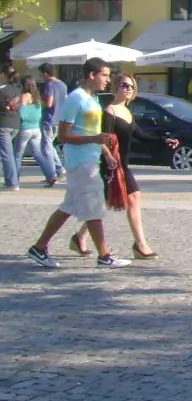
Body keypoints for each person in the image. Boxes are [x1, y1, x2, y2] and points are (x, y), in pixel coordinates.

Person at [26, 58, 132, 269]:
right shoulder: (76, 99)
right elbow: (63, 135)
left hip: (90, 159)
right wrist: (94, 140)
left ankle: (39, 248)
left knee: (69, 207)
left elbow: (93, 133)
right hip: (80, 162)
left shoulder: (92, 100)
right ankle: (104, 255)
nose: (108, 80)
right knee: (93, 208)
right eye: (104, 75)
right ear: (92, 75)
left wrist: (106, 153)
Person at [71, 73, 178, 260]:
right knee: (133, 198)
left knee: (105, 203)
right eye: (124, 85)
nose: (128, 89)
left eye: (131, 86)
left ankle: (79, 237)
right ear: (115, 88)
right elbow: (101, 137)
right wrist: (108, 155)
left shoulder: (127, 112)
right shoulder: (109, 112)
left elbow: (141, 135)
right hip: (112, 164)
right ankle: (140, 245)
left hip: (122, 163)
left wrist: (164, 141)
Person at [16, 74, 58, 187]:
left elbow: (22, 114)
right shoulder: (37, 96)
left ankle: (14, 180)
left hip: (25, 128)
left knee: (17, 154)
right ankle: (51, 176)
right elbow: (38, 113)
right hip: (36, 129)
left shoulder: (24, 96)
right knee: (38, 154)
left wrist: (16, 106)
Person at [39, 63, 68, 181]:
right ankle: (60, 169)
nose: (41, 77)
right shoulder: (62, 84)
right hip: (60, 119)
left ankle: (51, 174)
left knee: (46, 148)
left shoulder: (49, 85)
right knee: (50, 146)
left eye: (41, 74)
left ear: (45, 73)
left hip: (49, 118)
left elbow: (49, 103)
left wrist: (40, 99)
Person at [0, 65, 21, 190]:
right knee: (8, 153)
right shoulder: (18, 88)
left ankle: (12, 183)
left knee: (7, 154)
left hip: (3, 124)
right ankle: (11, 180)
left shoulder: (2, 89)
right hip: (15, 124)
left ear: (3, 74)